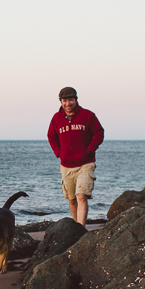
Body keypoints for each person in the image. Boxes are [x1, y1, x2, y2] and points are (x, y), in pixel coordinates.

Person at [47, 87, 104, 227]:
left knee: (81, 196)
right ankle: (76, 227)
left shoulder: (87, 115)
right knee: (72, 199)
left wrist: (90, 150)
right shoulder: (56, 118)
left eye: (70, 100)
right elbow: (51, 136)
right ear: (61, 102)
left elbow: (99, 133)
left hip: (85, 163)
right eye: (65, 101)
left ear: (75, 100)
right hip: (66, 165)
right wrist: (58, 152)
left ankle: (80, 229)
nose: (68, 103)